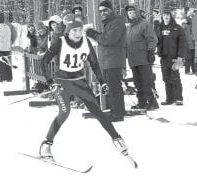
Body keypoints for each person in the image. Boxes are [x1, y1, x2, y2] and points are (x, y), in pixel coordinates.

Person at [39, 14, 136, 167]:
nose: (78, 34)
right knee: (64, 112)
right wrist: (50, 82)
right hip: (62, 82)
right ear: (68, 31)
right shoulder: (60, 42)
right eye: (74, 31)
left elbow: (94, 63)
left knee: (98, 111)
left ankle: (117, 140)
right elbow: (44, 61)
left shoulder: (85, 43)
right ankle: (46, 144)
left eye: (80, 30)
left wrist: (102, 82)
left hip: (80, 82)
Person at [86, 0, 126, 122]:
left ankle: (117, 114)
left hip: (114, 60)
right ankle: (115, 111)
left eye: (105, 10)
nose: (102, 13)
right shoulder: (109, 23)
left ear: (111, 10)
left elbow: (108, 40)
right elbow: (104, 39)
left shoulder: (117, 22)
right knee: (111, 88)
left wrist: (93, 34)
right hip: (109, 60)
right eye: (100, 11)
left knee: (115, 88)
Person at [125, 4, 158, 110]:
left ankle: (152, 101)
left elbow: (151, 38)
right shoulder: (129, 27)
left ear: (138, 13)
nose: (132, 15)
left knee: (147, 81)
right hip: (133, 60)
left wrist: (150, 51)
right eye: (130, 13)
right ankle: (142, 102)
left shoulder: (145, 24)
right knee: (137, 82)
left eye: (134, 12)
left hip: (144, 58)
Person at [155, 6, 186, 106]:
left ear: (171, 16)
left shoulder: (177, 28)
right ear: (162, 17)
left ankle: (178, 98)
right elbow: (155, 40)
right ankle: (169, 99)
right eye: (164, 15)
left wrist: (180, 57)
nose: (166, 17)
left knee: (175, 78)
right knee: (166, 78)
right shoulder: (160, 27)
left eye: (168, 15)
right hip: (164, 57)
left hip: (174, 57)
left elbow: (182, 43)